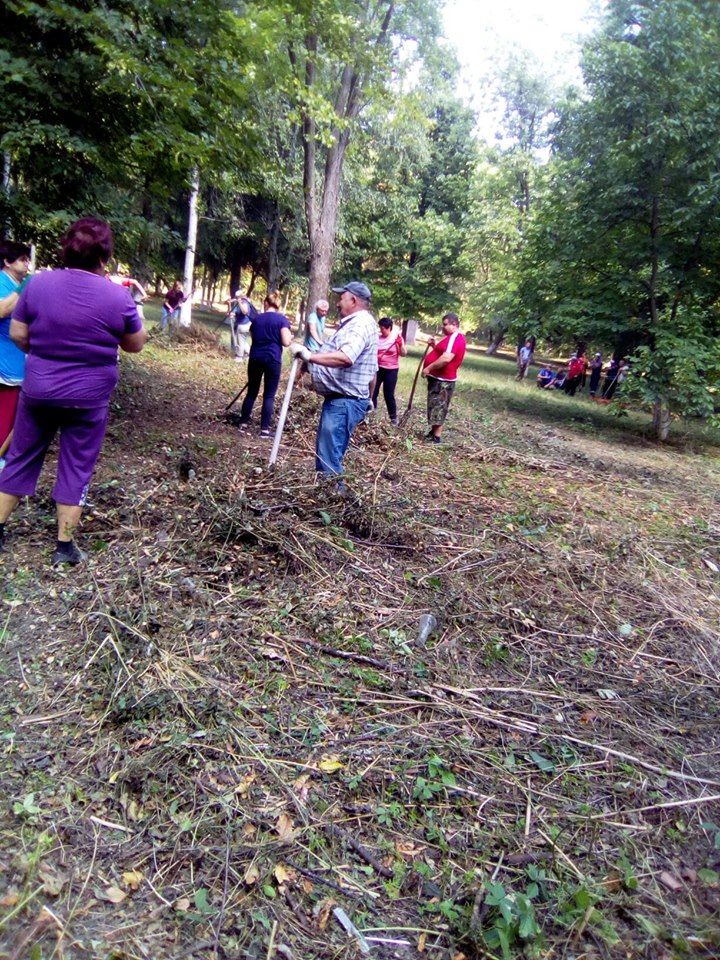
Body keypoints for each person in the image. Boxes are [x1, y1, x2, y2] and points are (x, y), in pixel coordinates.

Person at [0, 217, 147, 564]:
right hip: (88, 398)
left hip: (38, 391)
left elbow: (19, 335)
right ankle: (64, 547)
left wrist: (49, 351)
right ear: (105, 257)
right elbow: (135, 344)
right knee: (77, 464)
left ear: (65, 250)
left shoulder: (37, 285)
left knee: (22, 456)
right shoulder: (118, 296)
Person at [290, 281, 377, 482]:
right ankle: (326, 495)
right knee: (328, 451)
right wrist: (369, 398)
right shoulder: (358, 323)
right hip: (344, 400)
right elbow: (373, 370)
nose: (337, 303)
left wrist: (310, 356)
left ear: (353, 300)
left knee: (329, 457)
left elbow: (346, 357)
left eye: (341, 298)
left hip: (344, 401)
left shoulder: (360, 325)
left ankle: (332, 499)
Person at [237, 291, 292, 437]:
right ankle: (264, 429)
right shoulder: (282, 320)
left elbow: (254, 337)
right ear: (277, 305)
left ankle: (243, 423)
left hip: (255, 357)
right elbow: (286, 342)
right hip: (273, 359)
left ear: (266, 303)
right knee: (269, 395)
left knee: (252, 392)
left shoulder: (257, 319)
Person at [0, 241, 32, 468]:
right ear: (7, 262)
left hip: (17, 357)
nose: (27, 263)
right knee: (5, 408)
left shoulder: (16, 283)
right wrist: (23, 290)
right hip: (4, 358)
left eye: (27, 258)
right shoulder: (2, 282)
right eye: (22, 259)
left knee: (13, 412)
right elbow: (1, 310)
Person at [421, 313, 467, 444]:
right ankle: (433, 432)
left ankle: (436, 437)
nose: (443, 326)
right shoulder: (451, 338)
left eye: (446, 324)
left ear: (455, 324)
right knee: (435, 405)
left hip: (443, 381)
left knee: (439, 407)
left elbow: (446, 358)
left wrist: (428, 368)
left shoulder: (455, 338)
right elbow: (442, 352)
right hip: (438, 379)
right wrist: (434, 346)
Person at [371, 317, 406, 425]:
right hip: (378, 369)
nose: (381, 331)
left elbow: (404, 353)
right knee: (373, 392)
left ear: (389, 328)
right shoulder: (377, 338)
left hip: (391, 370)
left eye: (383, 329)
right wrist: (376, 356)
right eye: (380, 328)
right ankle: (372, 414)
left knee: (388, 394)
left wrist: (400, 344)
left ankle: (393, 419)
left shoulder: (396, 338)